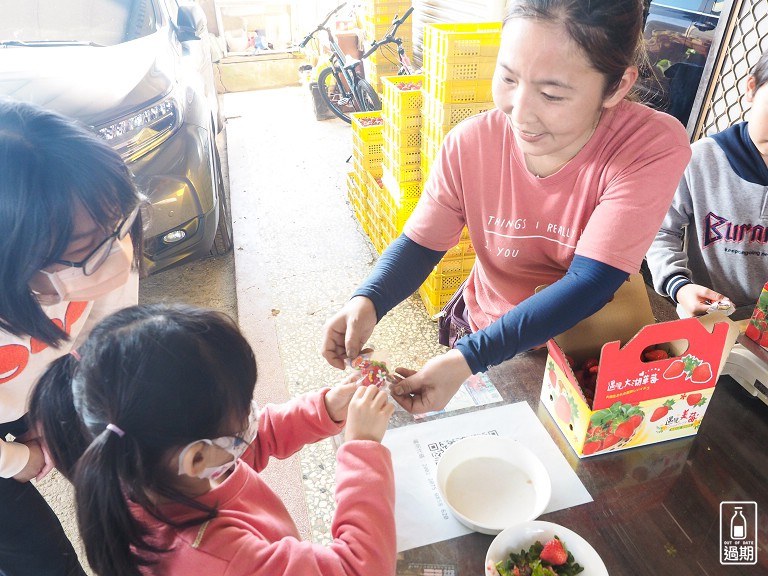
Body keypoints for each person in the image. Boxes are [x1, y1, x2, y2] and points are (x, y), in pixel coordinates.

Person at [321, 0, 692, 414]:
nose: (520, 112)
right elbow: (422, 243)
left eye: (552, 94)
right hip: (487, 328)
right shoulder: (472, 142)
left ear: (618, 86)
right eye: (508, 77)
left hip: (588, 342)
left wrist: (469, 358)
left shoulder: (649, 145)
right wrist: (369, 299)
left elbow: (592, 280)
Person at [28, 304, 396, 576]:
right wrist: (362, 449)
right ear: (197, 458)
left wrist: (326, 408)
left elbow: (250, 445)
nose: (252, 417)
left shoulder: (145, 468)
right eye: (244, 413)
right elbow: (359, 569)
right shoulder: (219, 559)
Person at [0, 98, 144, 575]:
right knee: (38, 558)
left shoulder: (103, 237)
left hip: (38, 389)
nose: (118, 258)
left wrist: (52, 401)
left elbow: (106, 331)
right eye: (85, 252)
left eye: (119, 225)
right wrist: (18, 458)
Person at [646, 49, 768, 319]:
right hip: (707, 318)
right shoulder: (702, 159)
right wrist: (679, 286)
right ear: (751, 88)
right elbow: (657, 230)